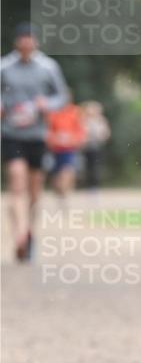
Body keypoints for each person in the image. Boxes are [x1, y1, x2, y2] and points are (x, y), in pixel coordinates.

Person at [1, 23, 68, 260]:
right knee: (16, 181)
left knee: (34, 192)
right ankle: (19, 235)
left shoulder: (48, 67)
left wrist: (46, 105)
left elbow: (63, 96)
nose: (26, 43)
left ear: (36, 42)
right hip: (11, 133)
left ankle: (28, 232)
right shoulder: (4, 67)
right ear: (16, 42)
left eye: (30, 39)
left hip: (37, 135)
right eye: (22, 39)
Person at [46, 98, 86, 198]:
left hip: (69, 147)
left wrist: (76, 140)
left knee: (68, 169)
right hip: (54, 148)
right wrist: (53, 139)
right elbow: (48, 128)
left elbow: (80, 128)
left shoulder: (75, 112)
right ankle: (60, 191)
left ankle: (65, 191)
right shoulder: (52, 112)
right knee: (56, 172)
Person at [80, 101, 111, 191]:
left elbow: (106, 134)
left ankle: (94, 186)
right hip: (85, 147)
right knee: (86, 167)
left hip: (97, 147)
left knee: (95, 167)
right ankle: (87, 185)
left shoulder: (101, 120)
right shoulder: (83, 120)